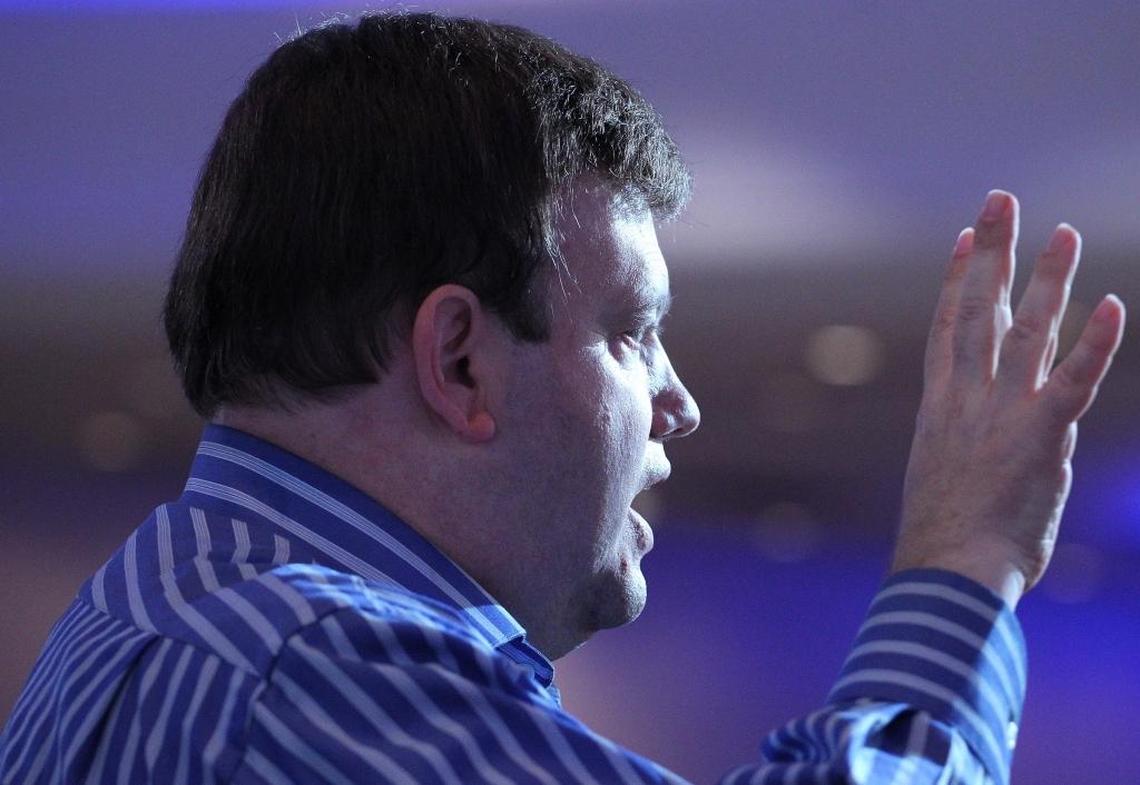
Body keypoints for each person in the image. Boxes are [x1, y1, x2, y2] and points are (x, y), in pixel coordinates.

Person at [0, 10, 1125, 785]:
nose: (678, 402)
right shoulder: (306, 664)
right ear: (460, 362)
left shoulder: (170, 607)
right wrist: (963, 562)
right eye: (636, 333)